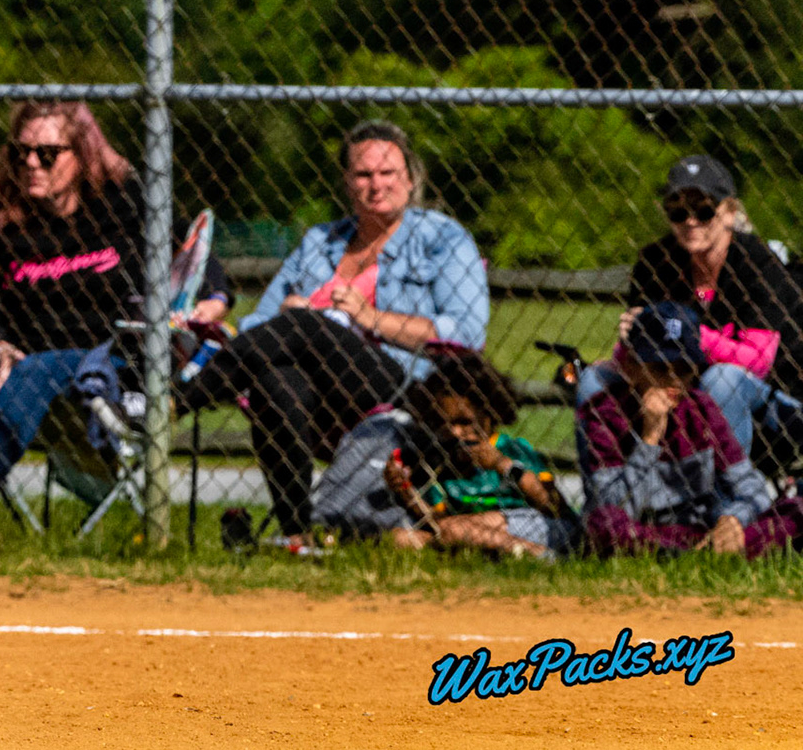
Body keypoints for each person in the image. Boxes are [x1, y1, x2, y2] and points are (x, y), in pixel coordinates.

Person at [0, 101, 231, 523]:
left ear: (81, 155)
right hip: (21, 358)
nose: (31, 163)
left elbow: (197, 254)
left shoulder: (124, 203)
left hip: (107, 358)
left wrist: (214, 298)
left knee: (36, 372)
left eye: (47, 154)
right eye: (21, 152)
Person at [176, 119, 488, 538]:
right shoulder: (320, 242)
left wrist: (369, 319)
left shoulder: (444, 239)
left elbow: (465, 334)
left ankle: (175, 402)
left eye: (387, 173)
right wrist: (288, 310)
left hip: (408, 390)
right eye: (363, 174)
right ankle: (297, 535)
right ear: (347, 182)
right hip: (322, 397)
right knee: (276, 380)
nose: (376, 185)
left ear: (410, 180)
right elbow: (256, 325)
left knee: (305, 325)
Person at [577, 155, 803, 460]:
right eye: (678, 211)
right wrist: (631, 342)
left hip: (765, 399)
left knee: (720, 379)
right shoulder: (655, 261)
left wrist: (691, 336)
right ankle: (609, 500)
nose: (691, 221)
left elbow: (757, 361)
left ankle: (727, 503)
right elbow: (639, 354)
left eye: (704, 209)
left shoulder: (758, 262)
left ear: (729, 212)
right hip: (672, 382)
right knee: (593, 380)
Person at [577, 302, 803, 558]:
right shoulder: (604, 414)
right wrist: (649, 440)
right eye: (661, 368)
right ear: (631, 366)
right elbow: (611, 507)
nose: (674, 380)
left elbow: (752, 490)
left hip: (700, 531)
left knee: (797, 510)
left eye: (684, 370)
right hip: (638, 529)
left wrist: (733, 519)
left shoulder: (701, 409)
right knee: (604, 527)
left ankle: (707, 551)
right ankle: (698, 555)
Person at [313, 347, 573, 559]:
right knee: (402, 539)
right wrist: (405, 492)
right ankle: (499, 554)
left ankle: (545, 557)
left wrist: (502, 465)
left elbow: (551, 503)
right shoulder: (440, 461)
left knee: (455, 530)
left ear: (491, 414)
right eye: (443, 423)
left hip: (535, 523)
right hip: (467, 529)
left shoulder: (510, 448)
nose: (455, 432)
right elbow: (437, 521)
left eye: (465, 422)